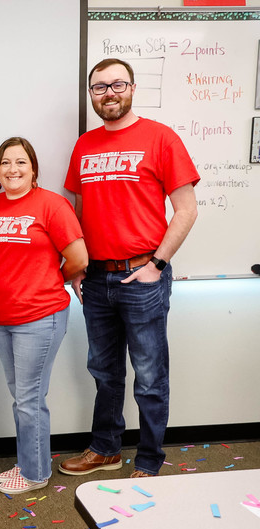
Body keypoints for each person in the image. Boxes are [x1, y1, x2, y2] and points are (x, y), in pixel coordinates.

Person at [60, 58, 199, 479]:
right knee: (104, 372)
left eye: (117, 84)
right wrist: (76, 266)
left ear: (133, 88)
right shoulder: (84, 145)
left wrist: (158, 264)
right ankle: (105, 448)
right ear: (91, 96)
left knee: (150, 377)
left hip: (144, 277)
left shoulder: (161, 138)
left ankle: (150, 459)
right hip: (97, 278)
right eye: (99, 87)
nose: (109, 93)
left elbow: (187, 210)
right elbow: (73, 210)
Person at [0, 137, 88, 494]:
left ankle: (36, 473)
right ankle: (29, 460)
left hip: (41, 316)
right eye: (6, 163)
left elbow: (79, 258)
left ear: (34, 169)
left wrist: (51, 279)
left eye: (21, 162)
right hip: (3, 319)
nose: (13, 169)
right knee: (22, 396)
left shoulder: (51, 205)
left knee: (28, 399)